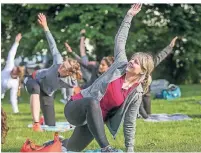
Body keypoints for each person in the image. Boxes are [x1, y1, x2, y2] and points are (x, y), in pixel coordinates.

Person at [63, 4, 158, 152]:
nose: (131, 61)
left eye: (136, 62)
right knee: (93, 102)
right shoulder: (120, 64)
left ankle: (55, 143)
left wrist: (130, 149)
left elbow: (130, 122)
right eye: (132, 59)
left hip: (93, 122)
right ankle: (106, 148)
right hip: (76, 108)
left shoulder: (136, 93)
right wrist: (129, 16)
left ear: (142, 71)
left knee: (71, 149)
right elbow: (120, 40)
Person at [23, 13, 81, 132]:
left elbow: (72, 100)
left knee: (51, 125)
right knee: (35, 89)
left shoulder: (71, 82)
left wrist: (74, 121)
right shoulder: (58, 61)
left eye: (65, 68)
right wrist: (45, 27)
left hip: (47, 92)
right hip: (33, 79)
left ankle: (44, 120)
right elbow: (52, 45)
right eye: (63, 65)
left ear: (69, 73)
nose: (61, 67)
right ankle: (36, 124)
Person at [138, 36, 178, 118]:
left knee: (147, 104)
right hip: (137, 91)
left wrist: (170, 46)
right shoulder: (137, 66)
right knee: (139, 104)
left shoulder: (151, 64)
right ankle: (144, 115)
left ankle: (146, 115)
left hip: (146, 91)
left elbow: (161, 55)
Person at [1, 33, 25, 113]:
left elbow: (13, 98)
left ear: (16, 75)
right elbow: (11, 54)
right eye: (14, 68)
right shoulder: (9, 66)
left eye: (14, 71)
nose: (13, 69)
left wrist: (16, 111)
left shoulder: (15, 83)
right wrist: (16, 42)